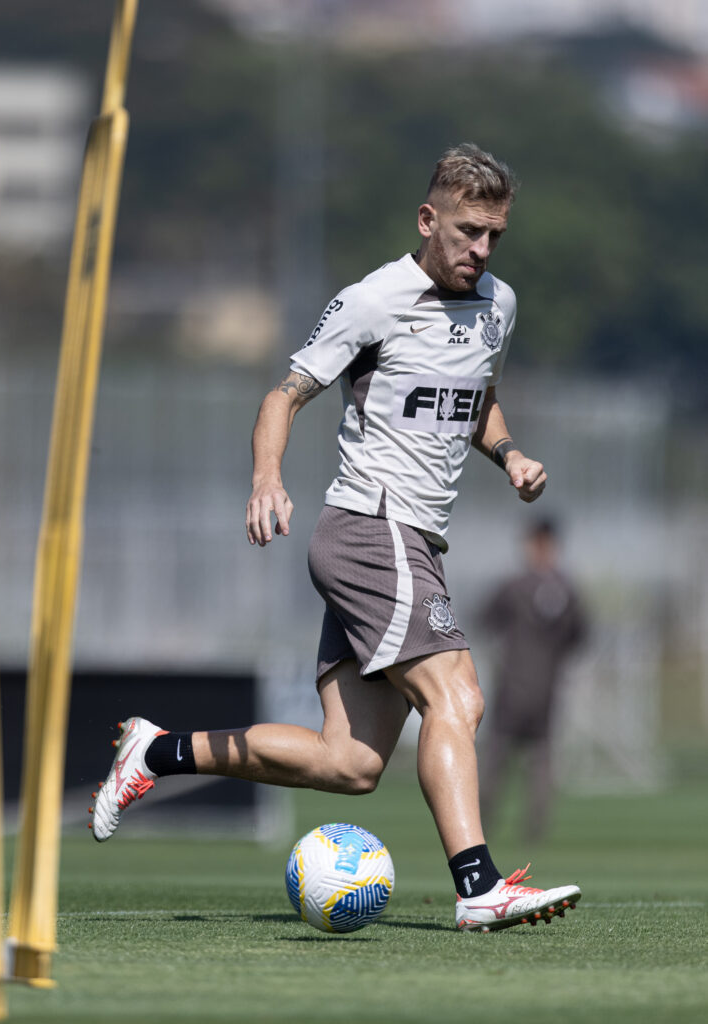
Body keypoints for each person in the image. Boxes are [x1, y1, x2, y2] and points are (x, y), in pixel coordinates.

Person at [90, 143, 581, 932]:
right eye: (466, 231)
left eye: (493, 235)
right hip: (371, 529)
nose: (479, 250)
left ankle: (155, 753)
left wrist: (510, 452)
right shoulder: (372, 300)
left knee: (349, 763)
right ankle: (478, 886)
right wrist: (266, 480)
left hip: (412, 543)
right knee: (457, 695)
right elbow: (282, 397)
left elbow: (476, 395)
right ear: (426, 220)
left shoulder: (498, 303)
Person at [478, 518, 587, 842]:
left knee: (501, 756)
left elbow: (486, 620)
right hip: (545, 686)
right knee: (534, 758)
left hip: (514, 685)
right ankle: (533, 829)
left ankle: (481, 825)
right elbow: (580, 635)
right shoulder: (567, 589)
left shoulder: (514, 586)